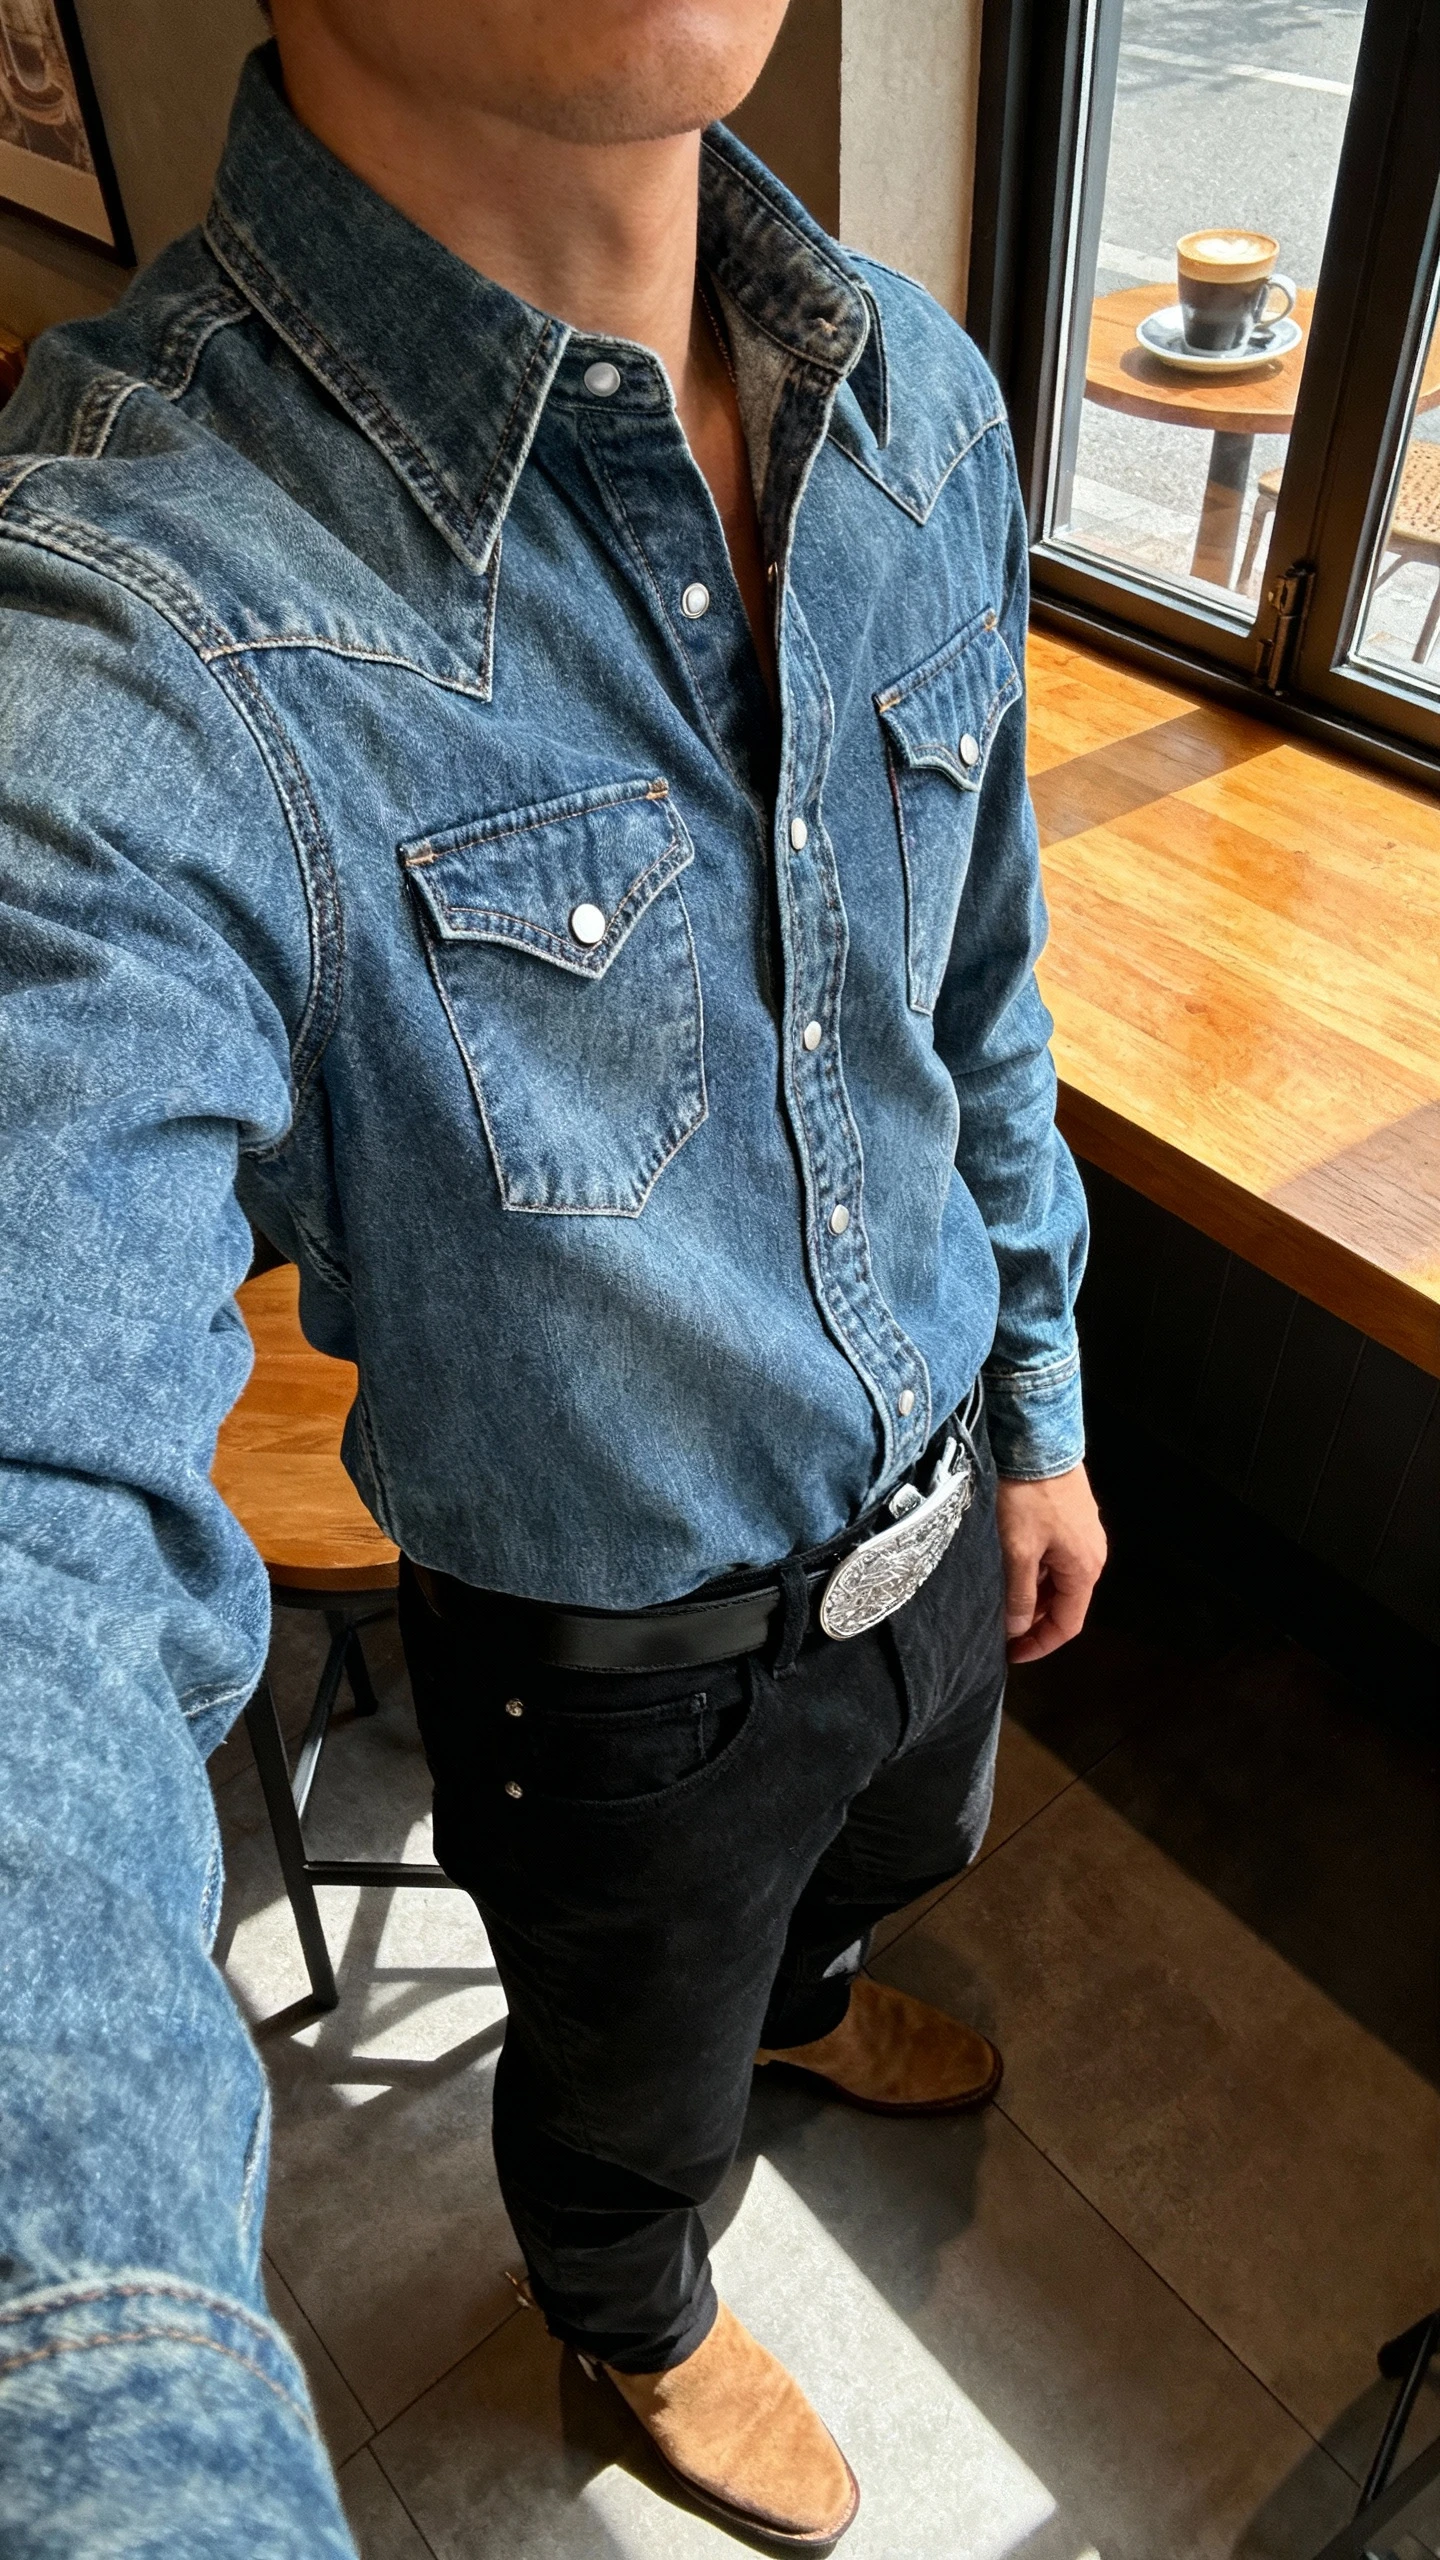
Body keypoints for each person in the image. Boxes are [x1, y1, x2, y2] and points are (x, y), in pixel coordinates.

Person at [0, 2, 1107, 2549]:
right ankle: (641, 2317)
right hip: (626, 1676)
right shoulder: (135, 616)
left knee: (863, 1881)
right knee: (622, 2082)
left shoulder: (916, 398)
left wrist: (1038, 1401)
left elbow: (980, 988)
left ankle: (805, 2015)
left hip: (946, 1505)